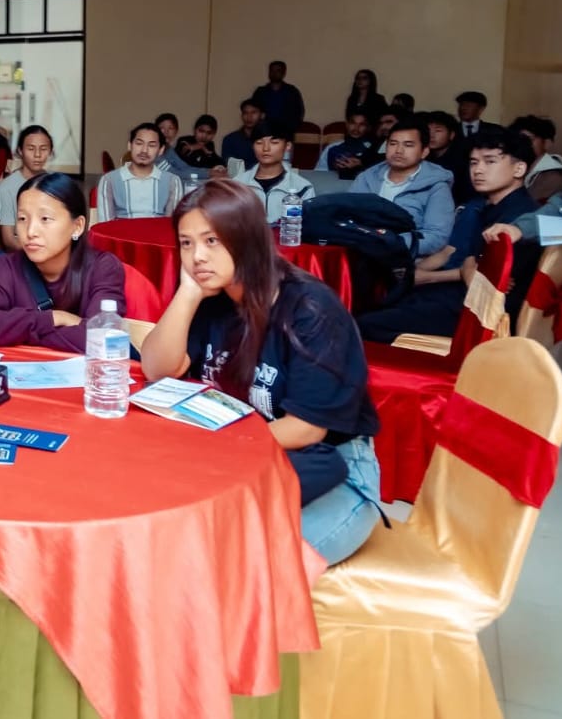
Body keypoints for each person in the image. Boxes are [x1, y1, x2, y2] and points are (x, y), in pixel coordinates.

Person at [141, 180, 382, 565]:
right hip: (253, 457)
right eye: (186, 243)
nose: (197, 257)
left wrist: (211, 450)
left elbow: (306, 429)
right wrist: (187, 293)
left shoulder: (310, 309)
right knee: (176, 536)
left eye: (212, 241)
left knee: (246, 564)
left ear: (248, 239)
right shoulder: (212, 297)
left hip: (335, 471)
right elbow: (157, 369)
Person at [359, 130, 538, 343]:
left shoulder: (522, 218)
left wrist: (471, 269)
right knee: (379, 302)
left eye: (490, 161)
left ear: (519, 168)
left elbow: (484, 282)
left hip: (486, 316)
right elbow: (470, 263)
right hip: (464, 297)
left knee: (366, 324)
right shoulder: (487, 207)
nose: (478, 170)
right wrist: (470, 269)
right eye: (473, 162)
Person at [0, 173, 127, 352]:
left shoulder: (103, 268)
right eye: (22, 219)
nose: (30, 231)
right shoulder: (5, 267)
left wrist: (17, 332)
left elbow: (101, 340)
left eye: (45, 219)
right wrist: (54, 318)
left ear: (77, 226)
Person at [348, 116, 455, 257]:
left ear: (424, 152)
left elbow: (437, 236)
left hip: (405, 260)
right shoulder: (367, 178)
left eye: (408, 145)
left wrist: (390, 243)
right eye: (393, 143)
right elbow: (347, 217)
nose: (398, 150)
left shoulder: (436, 186)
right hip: (360, 253)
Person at [233, 120, 315, 224]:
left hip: (285, 239)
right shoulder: (237, 185)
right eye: (259, 142)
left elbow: (307, 227)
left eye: (274, 142)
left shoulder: (302, 188)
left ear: (287, 146)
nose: (265, 148)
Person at [99, 123, 182, 220]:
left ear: (161, 150)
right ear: (130, 146)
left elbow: (172, 226)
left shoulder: (173, 182)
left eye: (151, 145)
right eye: (139, 143)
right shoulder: (109, 181)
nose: (144, 150)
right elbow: (105, 226)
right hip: (120, 234)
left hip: (158, 234)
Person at [0, 125, 53, 251]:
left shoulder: (56, 183)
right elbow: (9, 239)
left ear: (50, 151)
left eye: (43, 149)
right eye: (31, 149)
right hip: (23, 252)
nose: (37, 155)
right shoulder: (7, 187)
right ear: (20, 151)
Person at [511, 115, 562, 203]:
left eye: (529, 139)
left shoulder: (553, 176)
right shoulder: (519, 165)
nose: (522, 143)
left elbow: (524, 207)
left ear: (547, 144)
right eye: (519, 138)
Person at [424, 111, 474, 204]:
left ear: (451, 135)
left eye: (438, 130)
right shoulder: (423, 157)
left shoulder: (462, 159)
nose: (431, 135)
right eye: (428, 130)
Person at [249, 61, 305, 135]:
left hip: (285, 131)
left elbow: (299, 111)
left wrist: (292, 128)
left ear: (283, 73)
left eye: (278, 70)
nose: (274, 73)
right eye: (272, 70)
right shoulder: (260, 92)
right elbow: (253, 110)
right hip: (263, 131)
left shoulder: (292, 91)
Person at [317, 112, 379, 179]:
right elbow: (319, 174)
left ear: (368, 127)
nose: (356, 128)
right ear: (347, 124)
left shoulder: (374, 149)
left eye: (362, 124)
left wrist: (361, 165)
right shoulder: (332, 148)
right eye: (353, 123)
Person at [221, 99, 264, 168]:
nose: (249, 117)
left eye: (253, 112)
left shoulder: (267, 140)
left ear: (262, 115)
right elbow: (230, 164)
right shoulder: (230, 139)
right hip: (236, 177)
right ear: (242, 115)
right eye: (245, 113)